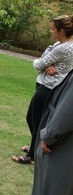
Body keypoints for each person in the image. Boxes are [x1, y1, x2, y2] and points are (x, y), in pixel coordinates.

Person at [10, 66, 73, 195]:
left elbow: (68, 110)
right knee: (67, 186)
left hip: (66, 140)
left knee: (57, 184)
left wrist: (49, 135)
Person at [11, 15, 73, 164]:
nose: (50, 31)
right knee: (33, 119)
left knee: (36, 121)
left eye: (52, 29)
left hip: (48, 88)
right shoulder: (62, 44)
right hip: (49, 87)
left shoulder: (63, 48)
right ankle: (34, 146)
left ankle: (32, 156)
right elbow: (45, 58)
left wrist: (43, 64)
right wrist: (46, 64)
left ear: (61, 31)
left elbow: (38, 64)